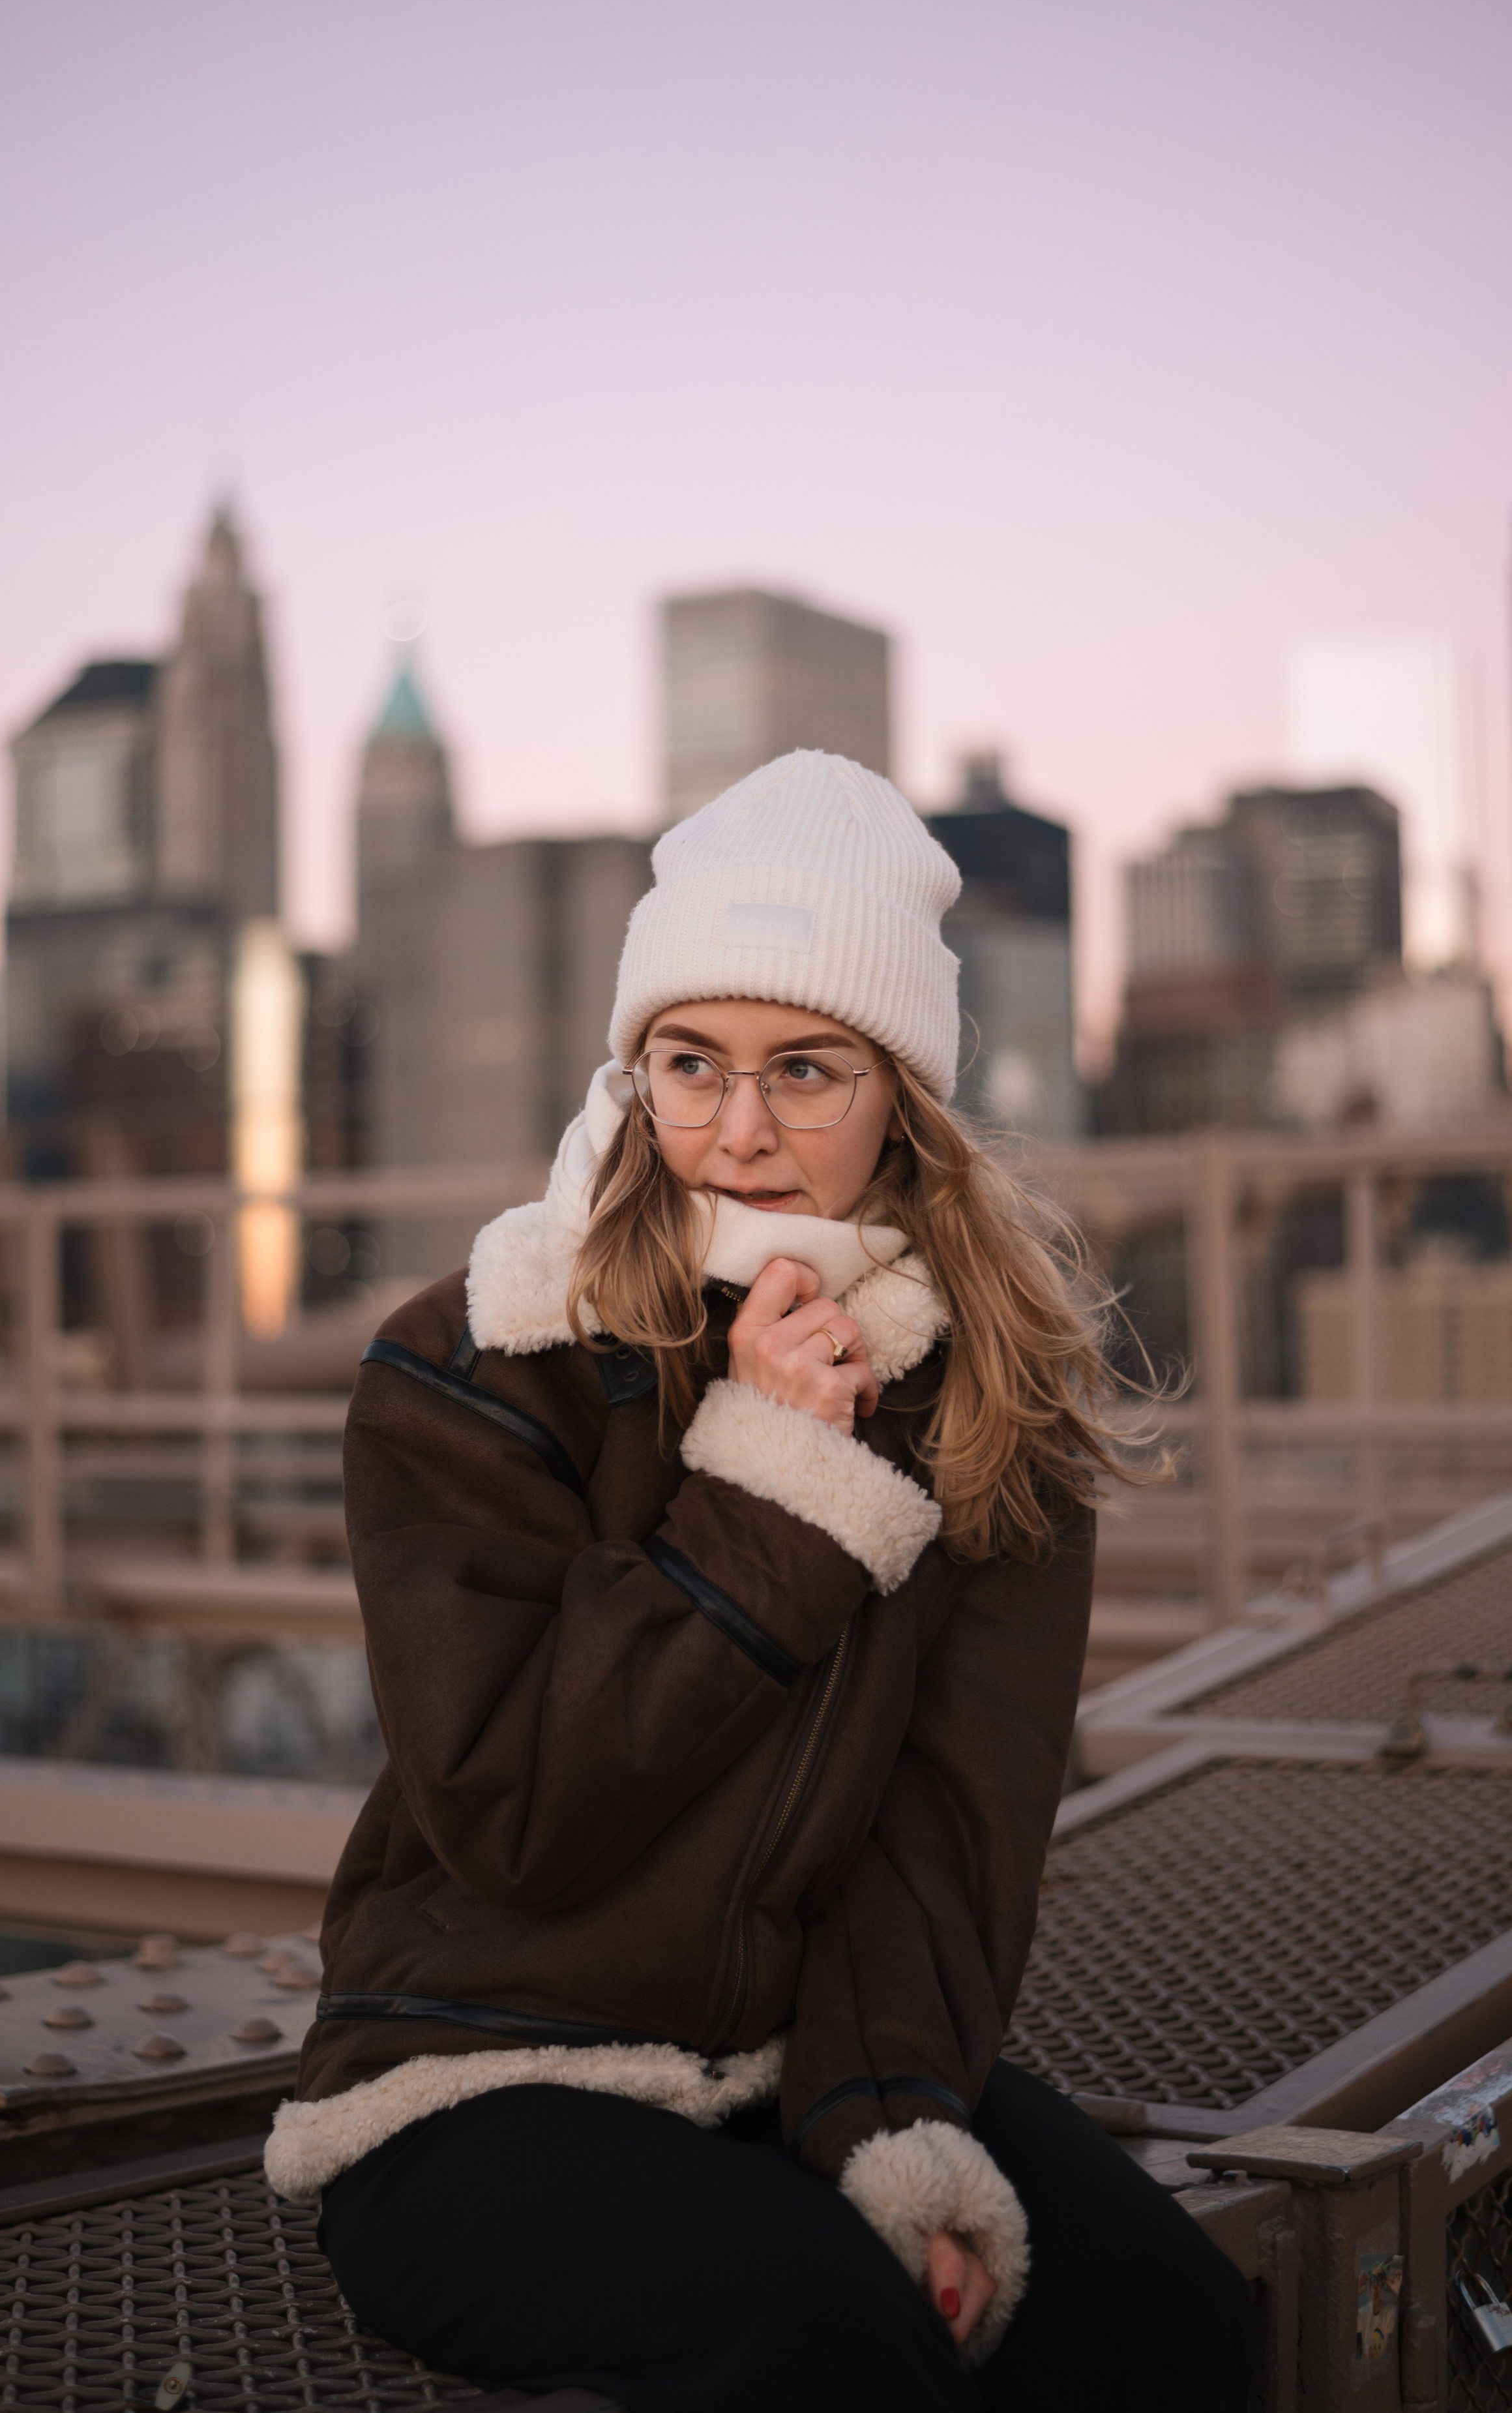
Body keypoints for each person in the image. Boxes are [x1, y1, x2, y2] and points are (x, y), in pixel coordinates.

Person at [267, 751, 1251, 2410]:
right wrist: (768, 1494)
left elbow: (945, 1829)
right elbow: (518, 1815)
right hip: (465, 2076)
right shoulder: (478, 1359)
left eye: (804, 1070)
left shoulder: (982, 1394)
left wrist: (888, 2122)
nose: (734, 1133)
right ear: (633, 1068)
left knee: (1168, 2320)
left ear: (902, 1096)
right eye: (688, 1063)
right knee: (824, 2345)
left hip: (786, 2066)